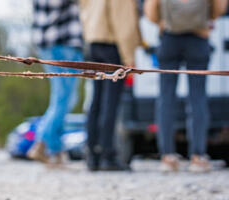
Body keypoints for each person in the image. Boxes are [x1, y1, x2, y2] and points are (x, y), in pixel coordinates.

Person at [145, 0, 228, 173]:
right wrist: (205, 19)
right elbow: (220, 6)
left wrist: (163, 22)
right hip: (198, 37)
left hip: (169, 37)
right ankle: (198, 157)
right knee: (197, 97)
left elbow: (150, 9)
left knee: (166, 97)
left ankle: (167, 157)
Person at [79, 0, 141, 171]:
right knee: (110, 102)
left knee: (96, 101)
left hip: (93, 43)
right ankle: (108, 154)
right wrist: (129, 57)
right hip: (112, 45)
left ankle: (92, 154)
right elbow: (124, 21)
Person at [27, 0, 84, 168]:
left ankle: (56, 152)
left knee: (63, 99)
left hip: (51, 41)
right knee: (63, 99)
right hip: (62, 40)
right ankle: (42, 145)